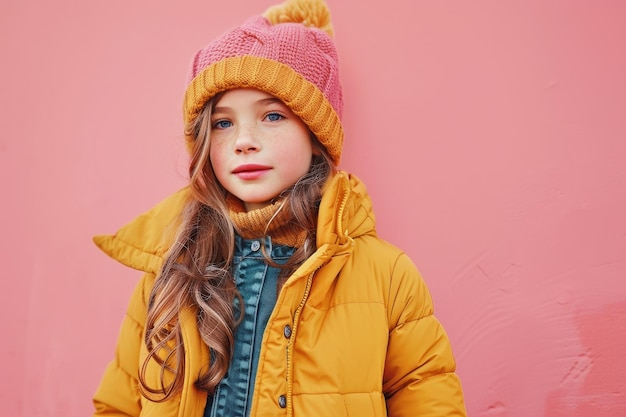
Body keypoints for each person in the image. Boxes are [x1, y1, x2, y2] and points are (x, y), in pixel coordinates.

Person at [92, 0, 467, 415]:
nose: (244, 140)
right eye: (223, 122)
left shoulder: (386, 276)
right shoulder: (169, 269)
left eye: (272, 116)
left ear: (315, 133)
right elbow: (118, 405)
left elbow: (428, 398)